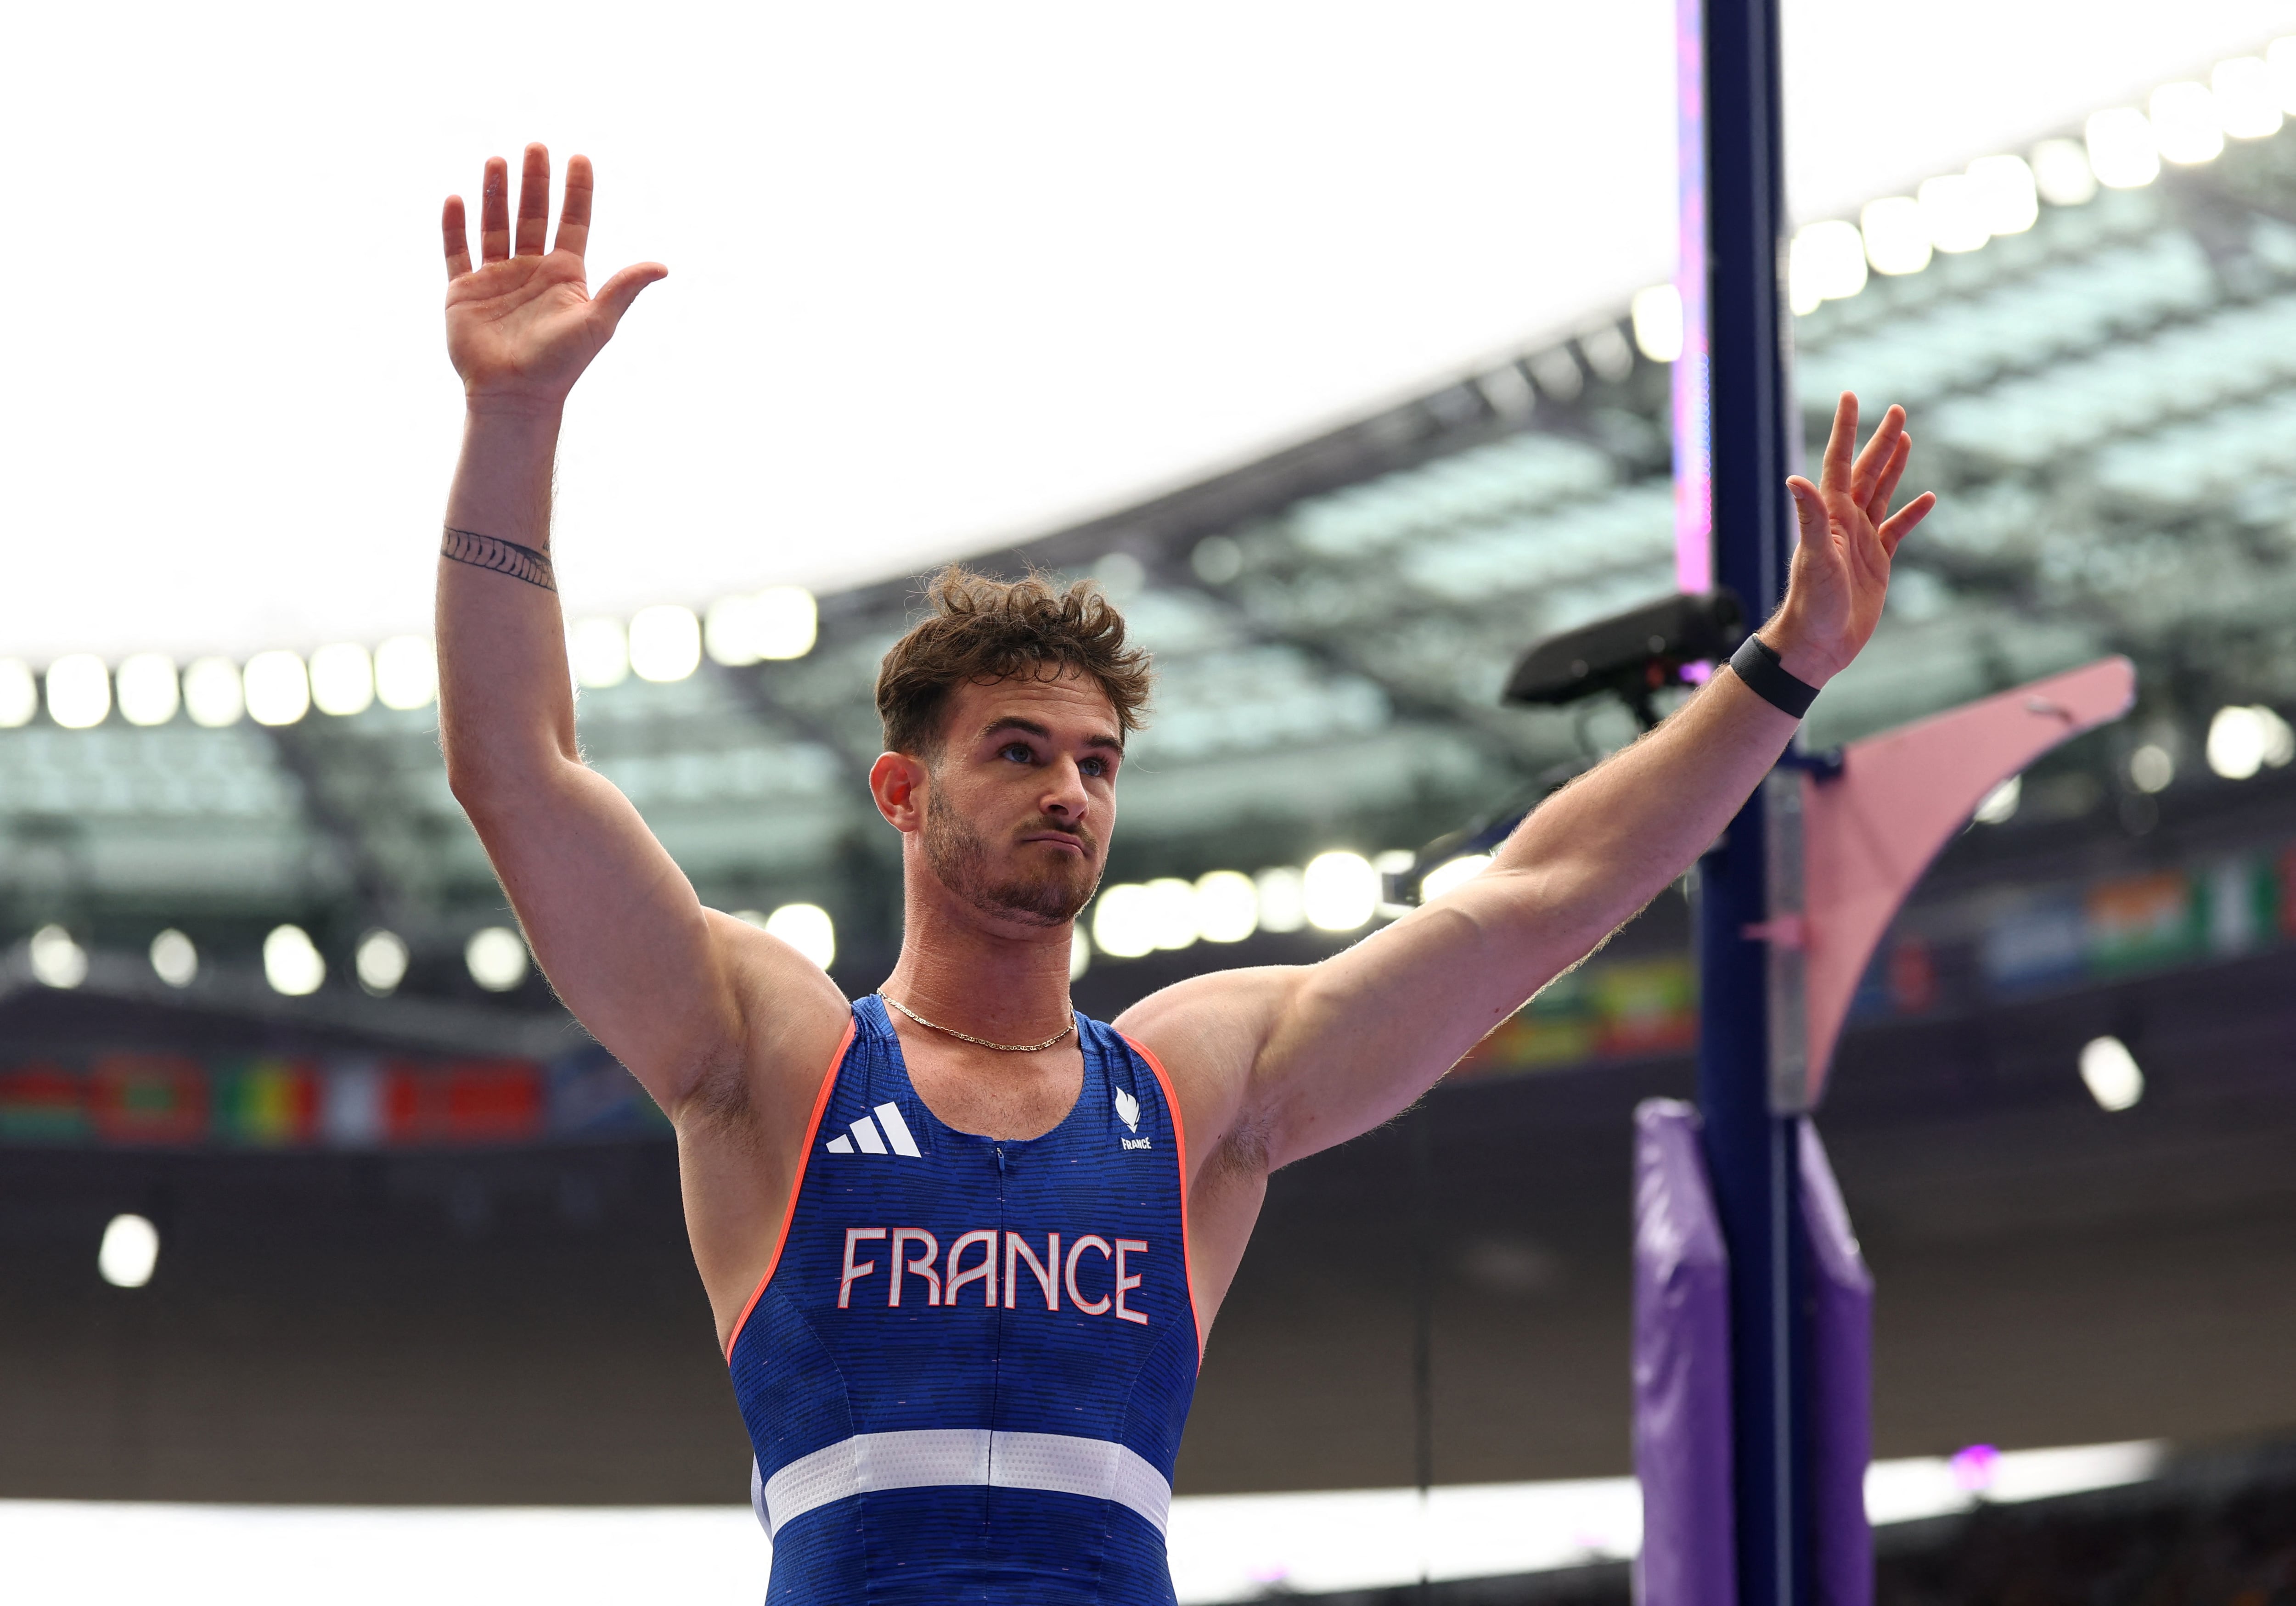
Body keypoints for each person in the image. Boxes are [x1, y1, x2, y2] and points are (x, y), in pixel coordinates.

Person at [434, 146, 1933, 1604]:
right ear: (903, 789)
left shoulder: (1194, 1087)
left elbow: (1537, 896)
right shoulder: (773, 1051)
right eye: (1018, 750)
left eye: (1096, 761)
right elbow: (520, 771)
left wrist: (1785, 667)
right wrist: (514, 417)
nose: (1068, 790)